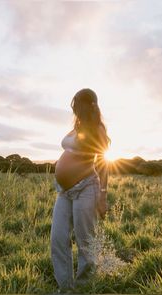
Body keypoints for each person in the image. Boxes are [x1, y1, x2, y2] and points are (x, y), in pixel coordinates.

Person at [50, 88, 110, 292]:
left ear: (89, 105)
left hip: (86, 188)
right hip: (64, 191)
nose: (74, 109)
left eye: (77, 105)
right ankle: (66, 288)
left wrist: (102, 196)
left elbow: (103, 162)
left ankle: (84, 287)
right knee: (57, 238)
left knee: (85, 242)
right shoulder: (77, 126)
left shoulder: (97, 129)